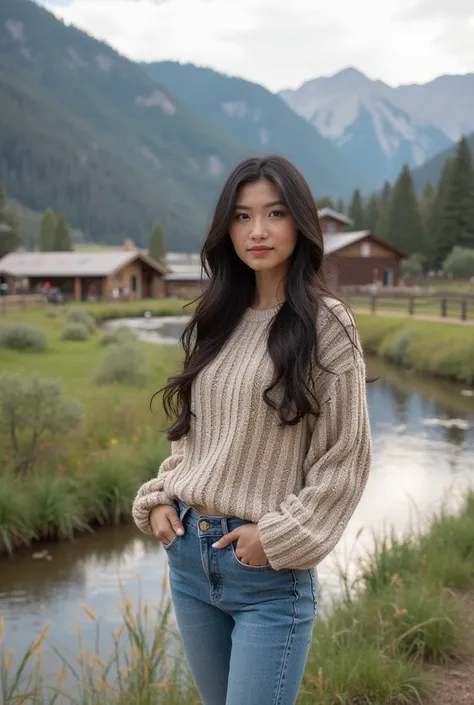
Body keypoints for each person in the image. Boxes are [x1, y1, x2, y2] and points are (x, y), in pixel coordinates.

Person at [132, 155, 372, 705]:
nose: (257, 231)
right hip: (189, 560)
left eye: (275, 213)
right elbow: (195, 437)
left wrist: (278, 538)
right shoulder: (218, 317)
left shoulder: (328, 324)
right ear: (226, 229)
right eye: (242, 216)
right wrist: (160, 497)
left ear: (301, 223)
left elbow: (344, 460)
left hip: (266, 572)